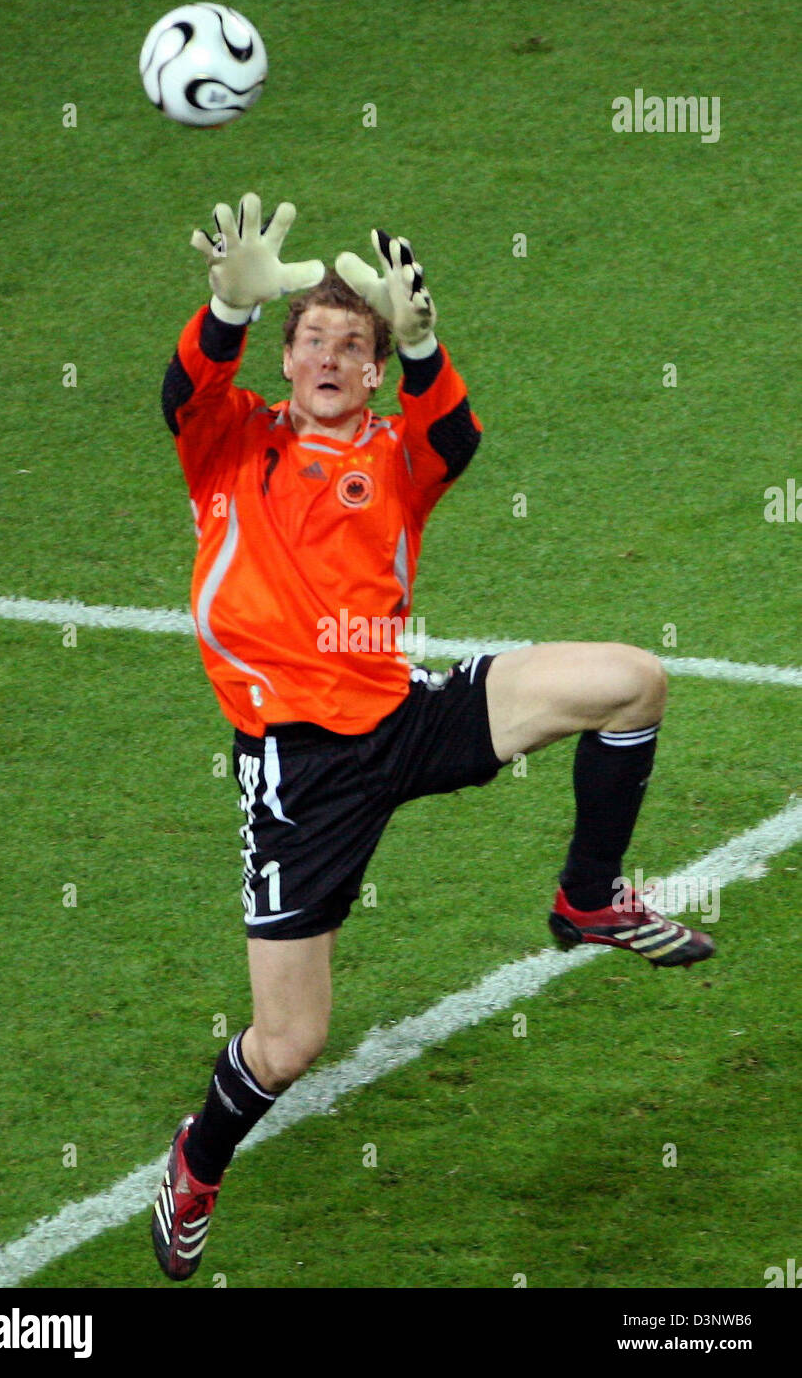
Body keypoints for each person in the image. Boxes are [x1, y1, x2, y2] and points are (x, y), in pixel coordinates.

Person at [151, 193, 715, 1281]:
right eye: (309, 338)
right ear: (286, 359)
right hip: (299, 773)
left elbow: (456, 432)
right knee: (290, 1043)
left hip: (407, 718)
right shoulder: (230, 446)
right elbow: (184, 388)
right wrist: (225, 304)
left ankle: (587, 895)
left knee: (634, 683)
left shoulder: (401, 457)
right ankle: (197, 1163)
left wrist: (422, 344)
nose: (327, 354)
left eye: (349, 345)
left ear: (368, 375)